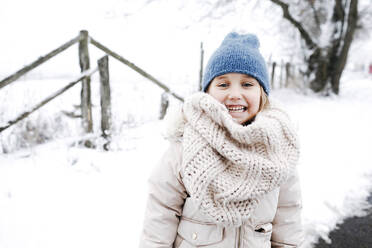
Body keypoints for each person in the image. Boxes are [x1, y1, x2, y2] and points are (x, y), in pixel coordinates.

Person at [139, 32, 304, 248]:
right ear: (207, 92)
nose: (235, 94)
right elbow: (161, 213)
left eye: (247, 84)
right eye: (223, 85)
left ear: (262, 93)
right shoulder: (186, 147)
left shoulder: (277, 151)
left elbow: (288, 221)